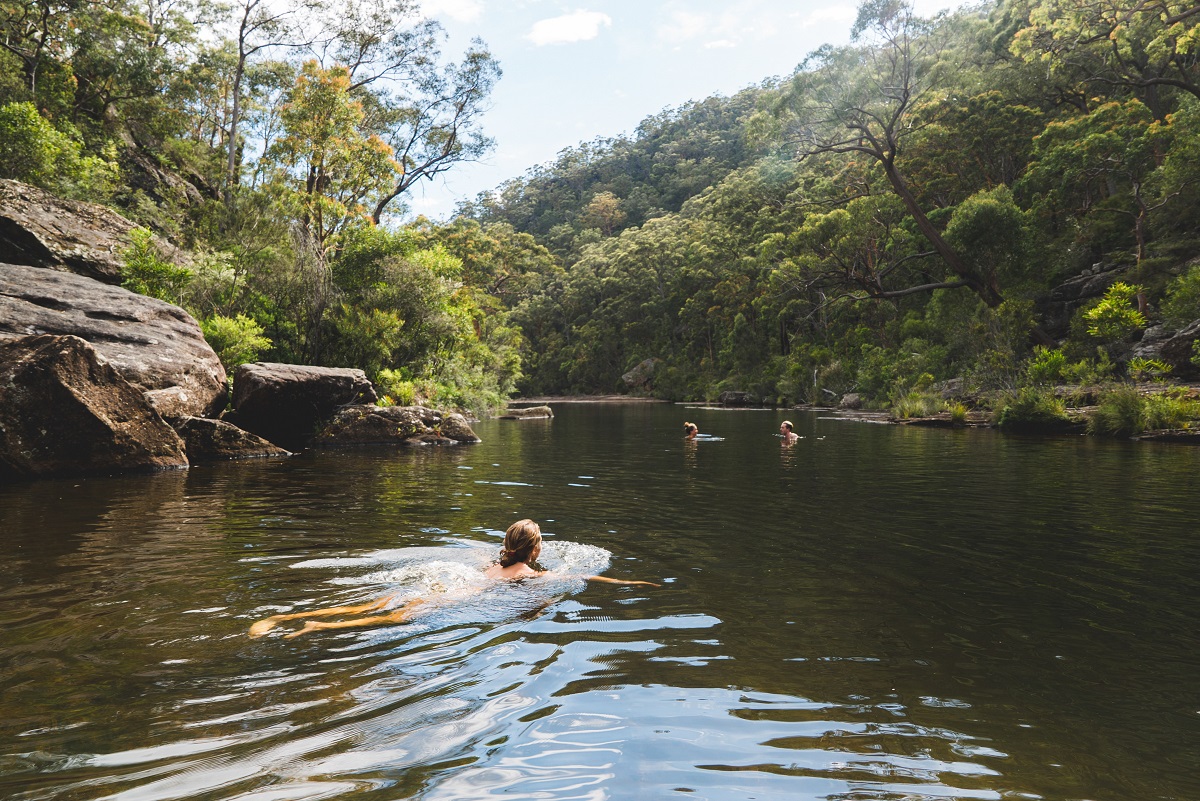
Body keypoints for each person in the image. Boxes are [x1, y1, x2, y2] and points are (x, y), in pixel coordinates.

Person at [249, 519, 659, 639]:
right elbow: (585, 574)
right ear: (535, 550)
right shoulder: (530, 574)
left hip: (441, 583)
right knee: (392, 619)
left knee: (372, 604)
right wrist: (632, 585)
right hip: (450, 600)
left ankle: (281, 618)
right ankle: (315, 626)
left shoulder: (494, 562)